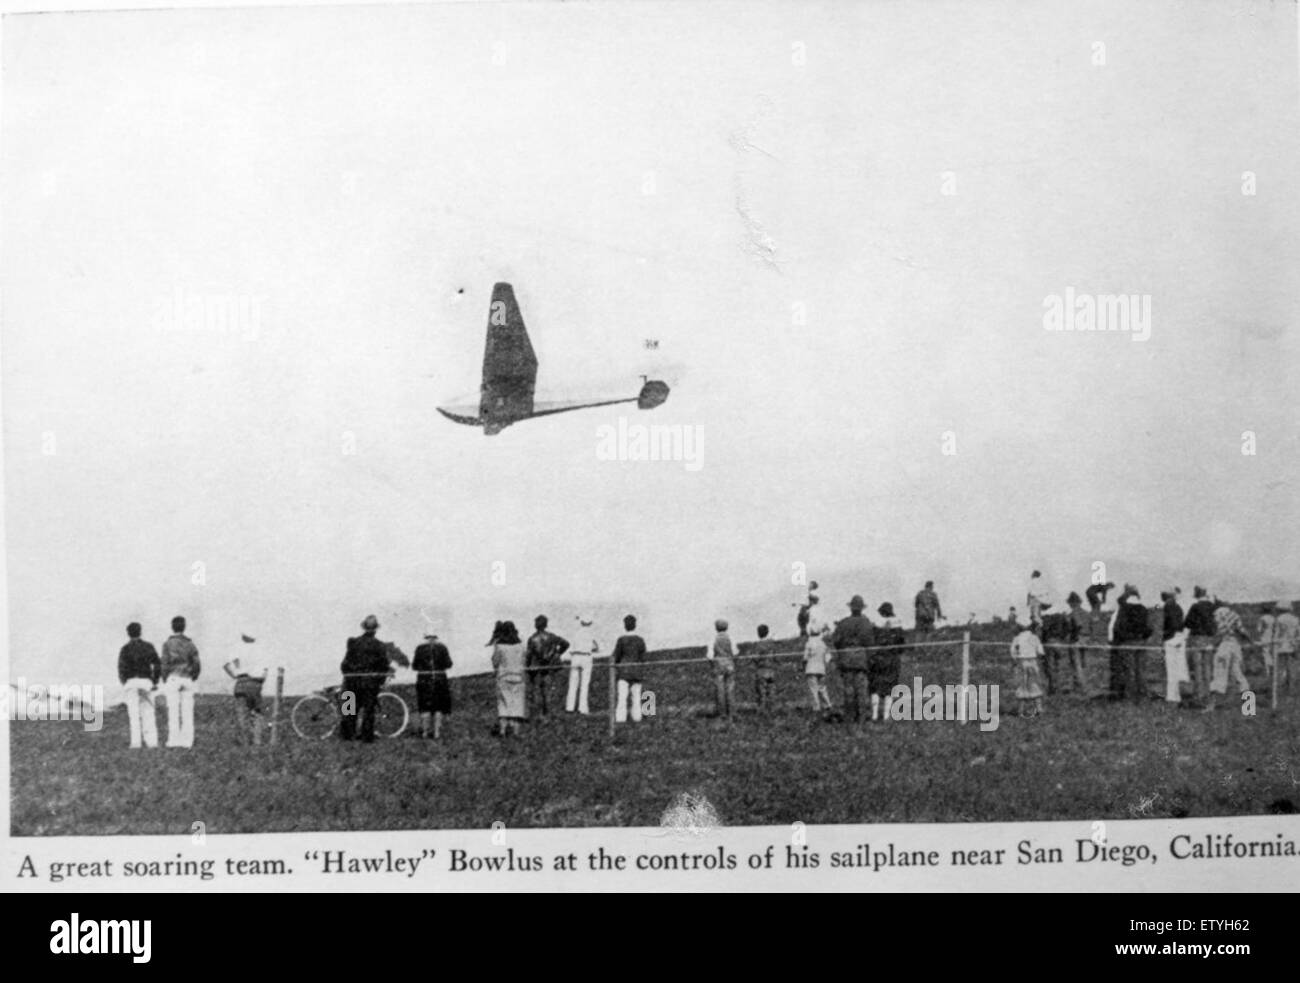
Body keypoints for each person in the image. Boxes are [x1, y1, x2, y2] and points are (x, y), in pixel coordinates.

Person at [340, 614, 390, 742]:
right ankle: (366, 736)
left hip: (351, 682)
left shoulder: (353, 642)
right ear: (375, 629)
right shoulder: (380, 646)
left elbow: (345, 664)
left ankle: (348, 735)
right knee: (368, 710)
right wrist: (380, 681)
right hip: (370, 683)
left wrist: (347, 675)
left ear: (364, 628)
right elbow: (383, 666)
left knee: (349, 709)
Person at [118, 622, 161, 749]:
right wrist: (154, 681)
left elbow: (121, 669)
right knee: (148, 713)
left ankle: (136, 743)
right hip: (145, 681)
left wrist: (125, 682)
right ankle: (151, 742)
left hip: (131, 682)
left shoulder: (125, 649)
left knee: (134, 715)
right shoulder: (148, 646)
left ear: (128, 633)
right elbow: (157, 664)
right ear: (140, 631)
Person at [831, 595, 873, 722]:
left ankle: (849, 716)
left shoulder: (843, 623)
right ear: (861, 609)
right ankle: (861, 717)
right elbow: (869, 642)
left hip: (845, 658)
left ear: (851, 608)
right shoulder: (866, 623)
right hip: (860, 658)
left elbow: (836, 640)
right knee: (861, 689)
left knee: (848, 688)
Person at [160, 615, 201, 748]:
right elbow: (196, 663)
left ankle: (173, 741)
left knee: (173, 711)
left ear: (172, 627)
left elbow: (164, 663)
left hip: (173, 677)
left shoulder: (167, 644)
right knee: (187, 712)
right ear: (184, 627)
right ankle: (187, 741)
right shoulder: (190, 644)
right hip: (187, 678)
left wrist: (164, 677)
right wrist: (193, 676)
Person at [1205, 600, 1251, 711]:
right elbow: (1243, 631)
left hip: (1225, 646)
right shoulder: (1234, 615)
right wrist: (1250, 641)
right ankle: (1249, 707)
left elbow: (1220, 632)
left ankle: (1210, 706)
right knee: (1238, 674)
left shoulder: (1219, 614)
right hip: (1236, 646)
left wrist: (1212, 645)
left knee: (1219, 674)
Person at [1108, 585, 1151, 702]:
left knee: (1129, 671)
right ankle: (1143, 695)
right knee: (1141, 670)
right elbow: (1148, 628)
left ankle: (1130, 696)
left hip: (1128, 642)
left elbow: (1119, 601)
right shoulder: (1143, 609)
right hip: (1141, 642)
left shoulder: (1125, 608)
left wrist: (1127, 591)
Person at [525, 615, 569, 719]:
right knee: (547, 690)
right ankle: (548, 713)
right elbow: (566, 644)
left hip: (536, 668)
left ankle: (538, 714)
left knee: (537, 691)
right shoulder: (552, 636)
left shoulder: (532, 639)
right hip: (549, 666)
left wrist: (527, 666)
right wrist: (558, 653)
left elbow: (529, 654)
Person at [412, 632, 452, 738]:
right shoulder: (442, 647)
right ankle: (437, 732)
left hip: (424, 679)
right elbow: (449, 664)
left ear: (426, 637)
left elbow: (414, 666)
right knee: (438, 706)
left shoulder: (420, 649)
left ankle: (425, 731)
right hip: (440, 679)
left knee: (425, 705)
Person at [870, 602, 905, 721]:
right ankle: (886, 715)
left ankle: (874, 715)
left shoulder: (876, 625)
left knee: (875, 686)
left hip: (878, 657)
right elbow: (902, 644)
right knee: (890, 687)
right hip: (892, 658)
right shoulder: (897, 625)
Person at [491, 621, 527, 736]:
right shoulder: (521, 646)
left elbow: (495, 662)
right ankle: (515, 731)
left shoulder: (500, 646)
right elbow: (524, 661)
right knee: (517, 704)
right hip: (518, 677)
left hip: (503, 677)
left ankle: (502, 730)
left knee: (503, 704)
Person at [223, 655, 267, 746]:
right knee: (257, 714)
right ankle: (257, 742)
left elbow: (226, 665)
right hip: (256, 684)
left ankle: (245, 742)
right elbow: (265, 672)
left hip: (242, 684)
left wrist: (235, 676)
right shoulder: (262, 649)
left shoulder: (237, 647)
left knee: (242, 715)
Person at [1184, 586, 1218, 702]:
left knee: (1197, 667)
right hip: (1209, 639)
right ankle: (1207, 692)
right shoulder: (1212, 606)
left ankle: (1198, 694)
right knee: (1208, 666)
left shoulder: (1195, 607)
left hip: (1197, 638)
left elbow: (1187, 623)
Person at [612, 614, 647, 724]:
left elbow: (616, 656)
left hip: (624, 672)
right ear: (635, 625)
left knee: (622, 697)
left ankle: (620, 719)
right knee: (636, 697)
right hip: (636, 671)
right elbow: (643, 657)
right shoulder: (640, 640)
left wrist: (617, 665)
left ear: (625, 626)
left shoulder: (621, 640)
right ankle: (637, 717)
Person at [565, 614, 599, 715]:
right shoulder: (591, 634)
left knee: (573, 683)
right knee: (584, 684)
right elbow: (596, 647)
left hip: (575, 657)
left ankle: (570, 707)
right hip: (586, 657)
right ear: (590, 623)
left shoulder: (576, 632)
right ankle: (582, 708)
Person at [1160, 590, 1189, 704]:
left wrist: (1168, 636)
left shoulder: (1169, 606)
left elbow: (1171, 623)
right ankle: (1176, 695)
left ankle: (1173, 696)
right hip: (1179, 637)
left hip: (1171, 639)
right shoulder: (1178, 606)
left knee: (1171, 669)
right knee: (1178, 669)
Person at [1010, 623, 1046, 716]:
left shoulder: (1017, 638)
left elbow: (1012, 652)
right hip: (1032, 661)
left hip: (1021, 662)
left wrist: (1015, 659)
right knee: (1035, 684)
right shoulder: (1034, 637)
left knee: (1022, 685)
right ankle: (1039, 709)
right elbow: (1041, 651)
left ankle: (1020, 711)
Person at [802, 618, 834, 716]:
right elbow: (828, 657)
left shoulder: (809, 643)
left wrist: (803, 666)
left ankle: (816, 708)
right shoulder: (822, 643)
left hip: (811, 669)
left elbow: (805, 658)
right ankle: (828, 705)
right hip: (821, 669)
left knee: (813, 690)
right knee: (822, 688)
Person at [710, 619, 737, 720]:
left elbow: (709, 655)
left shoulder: (713, 638)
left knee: (719, 689)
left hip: (718, 665)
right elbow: (735, 652)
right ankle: (731, 713)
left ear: (716, 627)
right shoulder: (731, 638)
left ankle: (722, 713)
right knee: (730, 689)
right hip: (730, 664)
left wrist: (713, 663)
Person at [750, 624, 779, 712]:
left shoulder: (759, 645)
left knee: (761, 690)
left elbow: (756, 657)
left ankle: (761, 709)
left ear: (759, 633)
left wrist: (752, 658)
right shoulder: (772, 644)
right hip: (771, 669)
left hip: (762, 670)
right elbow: (776, 657)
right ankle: (772, 708)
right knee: (771, 689)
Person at [1273, 601, 1298, 691]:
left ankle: (1281, 686)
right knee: (1291, 667)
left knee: (1281, 668)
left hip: (1281, 645)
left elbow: (1276, 633)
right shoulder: (1295, 619)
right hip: (1292, 644)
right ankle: (1291, 686)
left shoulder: (1279, 619)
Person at [1256, 604, 1277, 677]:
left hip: (1264, 637)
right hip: (1272, 637)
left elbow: (1259, 629)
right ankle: (1274, 669)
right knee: (1272, 653)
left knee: (1265, 653)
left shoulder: (1262, 618)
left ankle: (1268, 671)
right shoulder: (1273, 618)